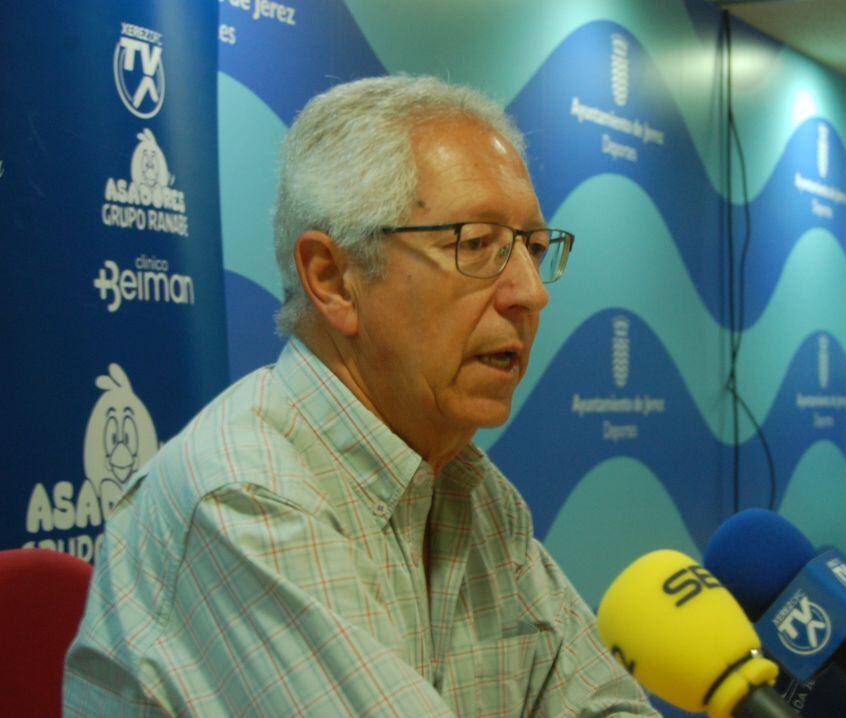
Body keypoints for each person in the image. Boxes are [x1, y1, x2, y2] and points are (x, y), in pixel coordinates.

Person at [64, 75, 658, 716]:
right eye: (477, 244)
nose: (531, 292)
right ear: (333, 278)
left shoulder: (475, 497)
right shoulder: (245, 498)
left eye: (534, 249)